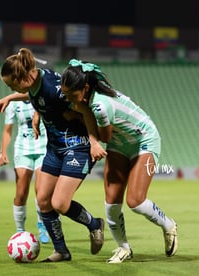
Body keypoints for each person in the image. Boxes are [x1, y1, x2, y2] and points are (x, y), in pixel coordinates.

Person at [60, 59, 178, 264]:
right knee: (111, 201)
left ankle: (169, 225)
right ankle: (123, 248)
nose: (69, 99)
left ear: (85, 88)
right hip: (119, 144)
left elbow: (104, 138)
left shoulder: (100, 106)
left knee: (136, 201)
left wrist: (78, 114)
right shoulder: (87, 99)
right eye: (66, 94)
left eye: (72, 95)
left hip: (144, 140)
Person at [0, 48, 107, 262]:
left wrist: (94, 142)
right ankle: (61, 251)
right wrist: (11, 97)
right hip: (55, 149)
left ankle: (95, 225)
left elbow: (85, 110)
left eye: (12, 84)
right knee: (43, 200)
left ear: (23, 77)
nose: (12, 87)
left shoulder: (53, 88)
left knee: (60, 203)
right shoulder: (36, 82)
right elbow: (33, 94)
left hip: (77, 146)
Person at [0, 99, 50, 244]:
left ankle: (42, 226)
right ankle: (20, 230)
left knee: (41, 193)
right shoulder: (13, 103)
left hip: (43, 146)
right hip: (22, 149)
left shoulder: (39, 95)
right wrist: (3, 152)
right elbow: (7, 130)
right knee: (21, 193)